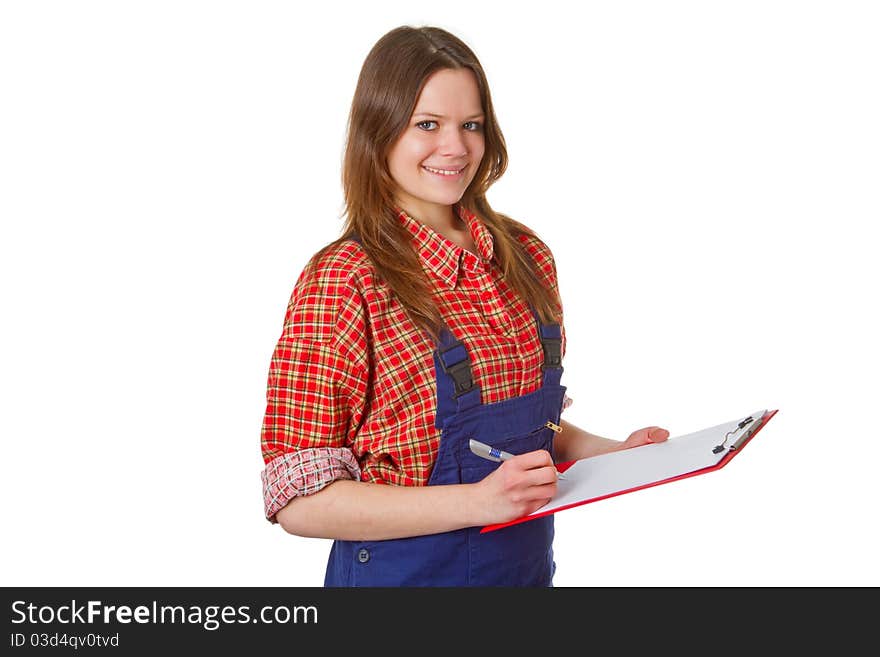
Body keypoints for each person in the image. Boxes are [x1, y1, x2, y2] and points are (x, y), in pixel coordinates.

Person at [259, 25, 669, 587]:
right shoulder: (343, 281)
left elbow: (528, 427)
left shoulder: (524, 257)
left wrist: (617, 454)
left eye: (470, 125)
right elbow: (299, 503)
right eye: (427, 124)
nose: (456, 147)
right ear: (378, 132)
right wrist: (478, 504)